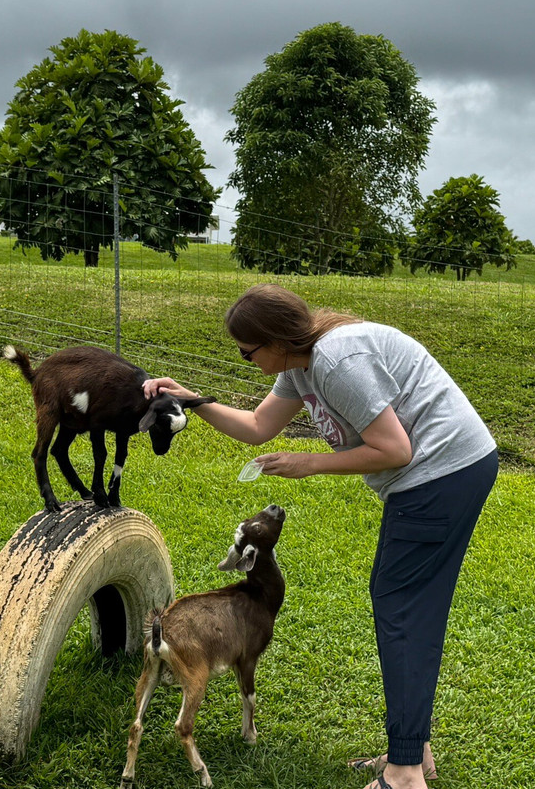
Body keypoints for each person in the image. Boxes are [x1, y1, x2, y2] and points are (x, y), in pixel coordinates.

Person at [142, 283, 498, 789]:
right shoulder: (299, 364)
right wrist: (190, 399)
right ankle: (413, 752)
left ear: (273, 339)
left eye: (248, 351)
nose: (246, 360)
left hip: (441, 474)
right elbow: (258, 426)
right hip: (449, 472)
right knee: (407, 611)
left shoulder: (335, 360)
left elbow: (396, 450)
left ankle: (403, 774)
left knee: (401, 612)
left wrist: (309, 464)